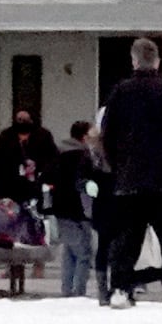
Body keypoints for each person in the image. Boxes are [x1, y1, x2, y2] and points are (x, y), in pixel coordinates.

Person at [94, 39, 162, 307]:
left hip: (130, 177)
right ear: (158, 62)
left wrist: (117, 166)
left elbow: (108, 135)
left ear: (134, 61)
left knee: (126, 236)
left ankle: (120, 289)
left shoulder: (121, 92)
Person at [53, 120, 100, 298]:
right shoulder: (85, 156)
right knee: (83, 253)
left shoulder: (58, 153)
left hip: (61, 208)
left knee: (70, 250)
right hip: (80, 209)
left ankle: (67, 289)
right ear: (84, 136)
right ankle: (78, 291)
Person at [0, 108, 59, 219]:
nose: (22, 122)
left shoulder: (43, 135)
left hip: (36, 185)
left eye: (25, 119)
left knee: (34, 218)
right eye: (20, 119)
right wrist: (1, 190)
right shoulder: (7, 136)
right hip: (11, 187)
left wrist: (39, 170)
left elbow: (53, 159)